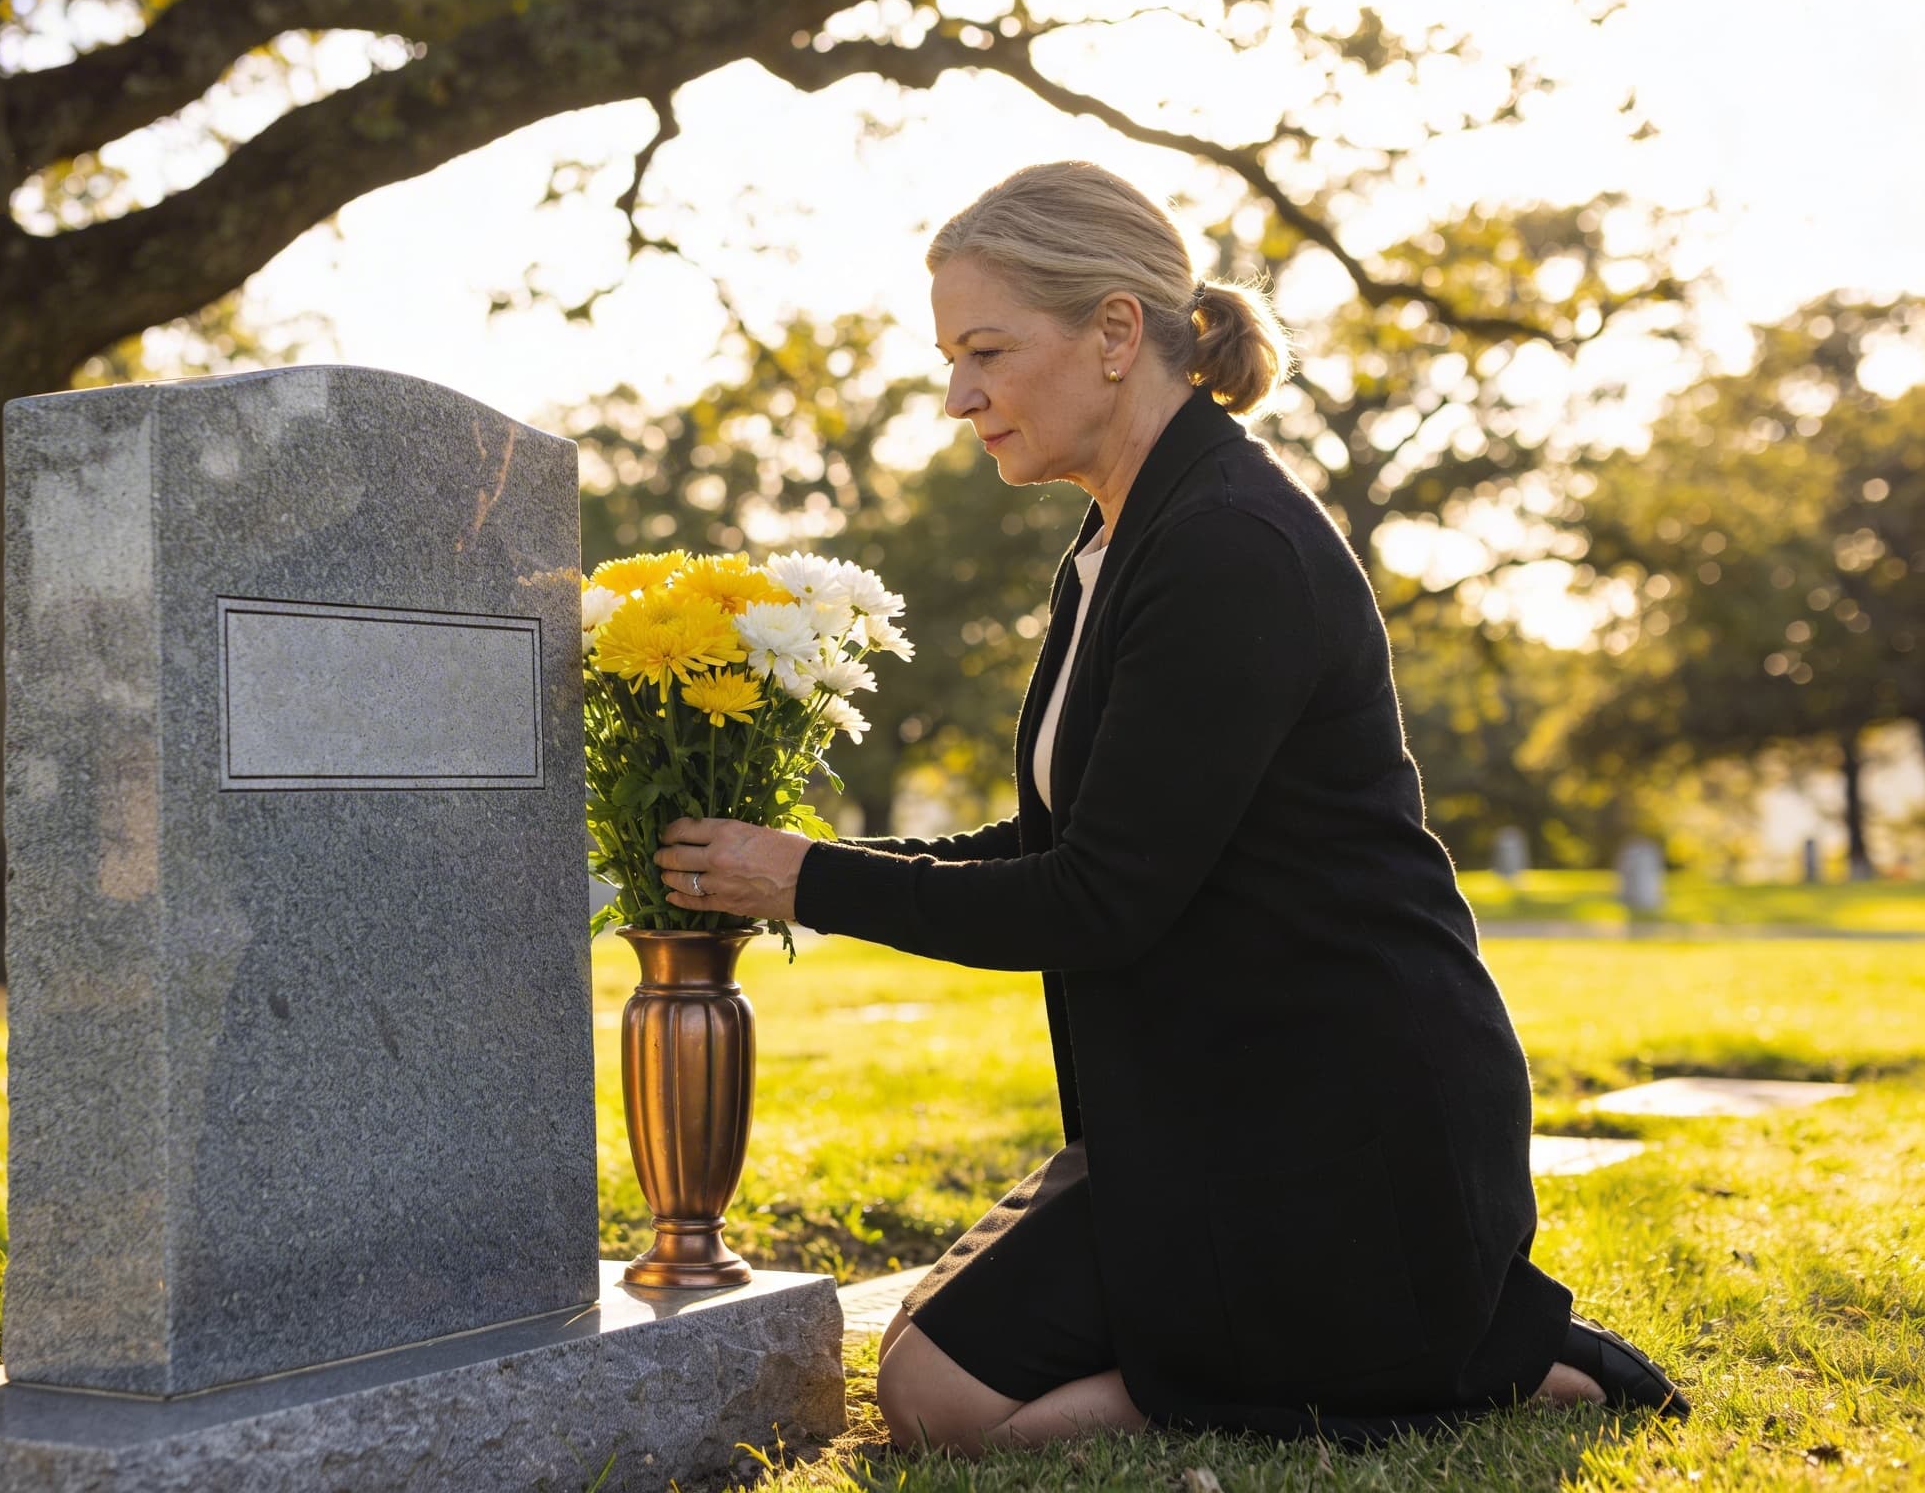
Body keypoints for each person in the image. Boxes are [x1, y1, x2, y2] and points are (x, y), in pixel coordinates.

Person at [653, 162, 1686, 1451]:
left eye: (985, 350)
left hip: (1341, 1126)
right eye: (950, 355)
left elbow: (1099, 902)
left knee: (933, 1401)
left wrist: (807, 881)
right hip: (1209, 1106)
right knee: (919, 1335)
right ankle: (1382, 1346)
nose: (958, 395)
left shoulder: (1226, 544)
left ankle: (1465, 1358)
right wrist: (803, 859)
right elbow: (1050, 845)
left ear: (1115, 333)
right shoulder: (1114, 541)